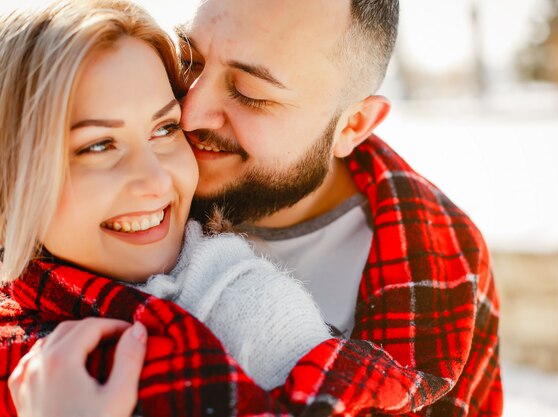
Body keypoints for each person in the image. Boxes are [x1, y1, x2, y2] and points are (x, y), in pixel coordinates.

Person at [6, 0, 503, 416]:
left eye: (249, 93)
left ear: (352, 126)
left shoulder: (444, 264)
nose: (190, 113)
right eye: (191, 61)